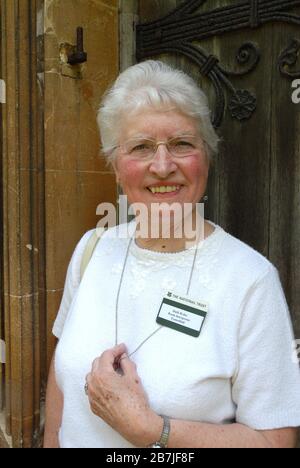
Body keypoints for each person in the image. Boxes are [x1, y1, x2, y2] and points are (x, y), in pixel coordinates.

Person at [44, 60, 300, 448]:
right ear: (115, 167)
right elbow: (61, 380)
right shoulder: (92, 249)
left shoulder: (250, 280)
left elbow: (276, 441)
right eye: (142, 147)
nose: (163, 167)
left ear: (207, 158)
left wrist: (154, 431)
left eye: (182, 144)